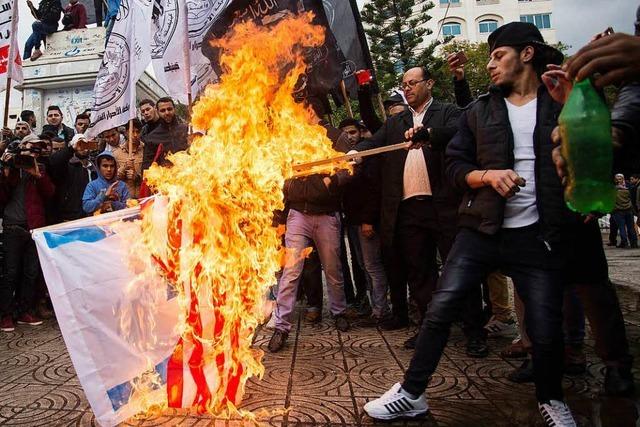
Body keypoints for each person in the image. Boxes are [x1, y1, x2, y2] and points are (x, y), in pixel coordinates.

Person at [364, 23, 578, 426]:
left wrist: (576, 111)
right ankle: (411, 392)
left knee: (546, 323)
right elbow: (457, 163)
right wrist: (487, 176)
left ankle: (552, 400)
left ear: (527, 54)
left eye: (498, 55)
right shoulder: (481, 109)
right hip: (480, 227)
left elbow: (595, 153)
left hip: (539, 233)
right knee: (441, 307)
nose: (492, 64)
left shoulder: (560, 102)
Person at [351, 67, 487, 354]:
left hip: (444, 207)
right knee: (419, 271)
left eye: (413, 82)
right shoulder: (396, 122)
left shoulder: (447, 112)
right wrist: (356, 153)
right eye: (404, 84)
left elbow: (458, 132)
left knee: (459, 268)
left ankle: (474, 331)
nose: (408, 88)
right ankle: (428, 329)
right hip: (409, 211)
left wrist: (429, 134)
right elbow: (372, 142)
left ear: (430, 83)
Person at [268, 100, 352, 353]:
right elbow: (278, 172)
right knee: (291, 271)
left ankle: (339, 311)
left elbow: (352, 164)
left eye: (306, 108)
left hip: (326, 214)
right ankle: (281, 326)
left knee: (333, 268)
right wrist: (289, 190)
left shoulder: (335, 136)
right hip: (297, 214)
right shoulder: (290, 138)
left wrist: (330, 183)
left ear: (314, 110)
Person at [0, 136, 55, 332]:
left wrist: (37, 175)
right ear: (21, 149)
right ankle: (5, 314)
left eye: (37, 152)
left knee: (30, 273)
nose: (33, 155)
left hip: (34, 227)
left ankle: (25, 310)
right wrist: (7, 171)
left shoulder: (40, 170)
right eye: (30, 150)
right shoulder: (11, 168)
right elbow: (2, 196)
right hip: (12, 226)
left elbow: (50, 193)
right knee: (11, 272)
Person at [339, 118, 390, 322]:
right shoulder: (344, 158)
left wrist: (368, 220)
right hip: (352, 220)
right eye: (345, 134)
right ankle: (373, 306)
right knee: (362, 265)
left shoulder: (368, 156)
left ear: (360, 132)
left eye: (352, 132)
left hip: (366, 221)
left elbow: (373, 190)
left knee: (372, 266)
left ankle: (381, 310)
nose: (349, 137)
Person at [48, 133, 97, 221]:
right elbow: (54, 161)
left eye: (85, 144)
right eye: (80, 144)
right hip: (71, 215)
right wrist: (72, 148)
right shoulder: (66, 166)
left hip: (91, 213)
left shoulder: (94, 166)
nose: (83, 147)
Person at [141, 97, 189, 172]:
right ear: (157, 112)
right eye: (163, 110)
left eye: (169, 109)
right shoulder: (151, 138)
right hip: (166, 180)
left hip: (190, 177)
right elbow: (147, 167)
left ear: (174, 109)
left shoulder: (187, 130)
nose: (167, 113)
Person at [82, 151, 130, 215]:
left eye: (112, 166)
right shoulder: (92, 185)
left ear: (115, 168)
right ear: (99, 168)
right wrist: (104, 195)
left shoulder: (122, 185)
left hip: (118, 223)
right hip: (97, 223)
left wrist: (113, 204)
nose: (109, 169)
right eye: (105, 166)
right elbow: (86, 207)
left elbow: (129, 207)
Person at [112, 119, 144, 198]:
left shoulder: (146, 150)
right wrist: (124, 167)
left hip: (143, 196)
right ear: (126, 133)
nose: (135, 135)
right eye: (132, 131)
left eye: (138, 132)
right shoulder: (116, 153)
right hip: (125, 199)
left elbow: (152, 176)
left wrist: (137, 176)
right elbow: (113, 177)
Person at [612, 174, 638, 248]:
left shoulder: (613, 191)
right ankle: (634, 243)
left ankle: (624, 243)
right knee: (631, 228)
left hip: (618, 211)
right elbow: (632, 199)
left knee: (622, 228)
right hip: (628, 210)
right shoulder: (628, 189)